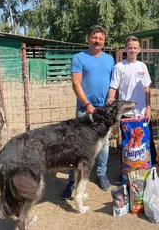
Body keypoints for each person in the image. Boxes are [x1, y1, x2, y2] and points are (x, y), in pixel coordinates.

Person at [60, 25, 115, 200]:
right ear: (88, 38)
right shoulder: (79, 58)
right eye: (94, 37)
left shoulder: (110, 59)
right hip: (85, 109)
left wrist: (111, 101)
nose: (97, 40)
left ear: (104, 41)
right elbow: (76, 84)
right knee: (76, 146)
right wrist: (88, 104)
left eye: (101, 38)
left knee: (104, 144)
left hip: (104, 109)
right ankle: (71, 182)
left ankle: (101, 173)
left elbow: (113, 83)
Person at [107, 36, 157, 183]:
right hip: (127, 114)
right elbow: (113, 87)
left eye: (135, 48)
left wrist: (148, 107)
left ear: (139, 50)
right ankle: (126, 170)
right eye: (130, 48)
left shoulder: (143, 66)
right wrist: (111, 99)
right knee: (128, 143)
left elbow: (147, 88)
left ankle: (151, 168)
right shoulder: (119, 67)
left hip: (142, 113)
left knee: (148, 141)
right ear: (125, 49)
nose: (132, 50)